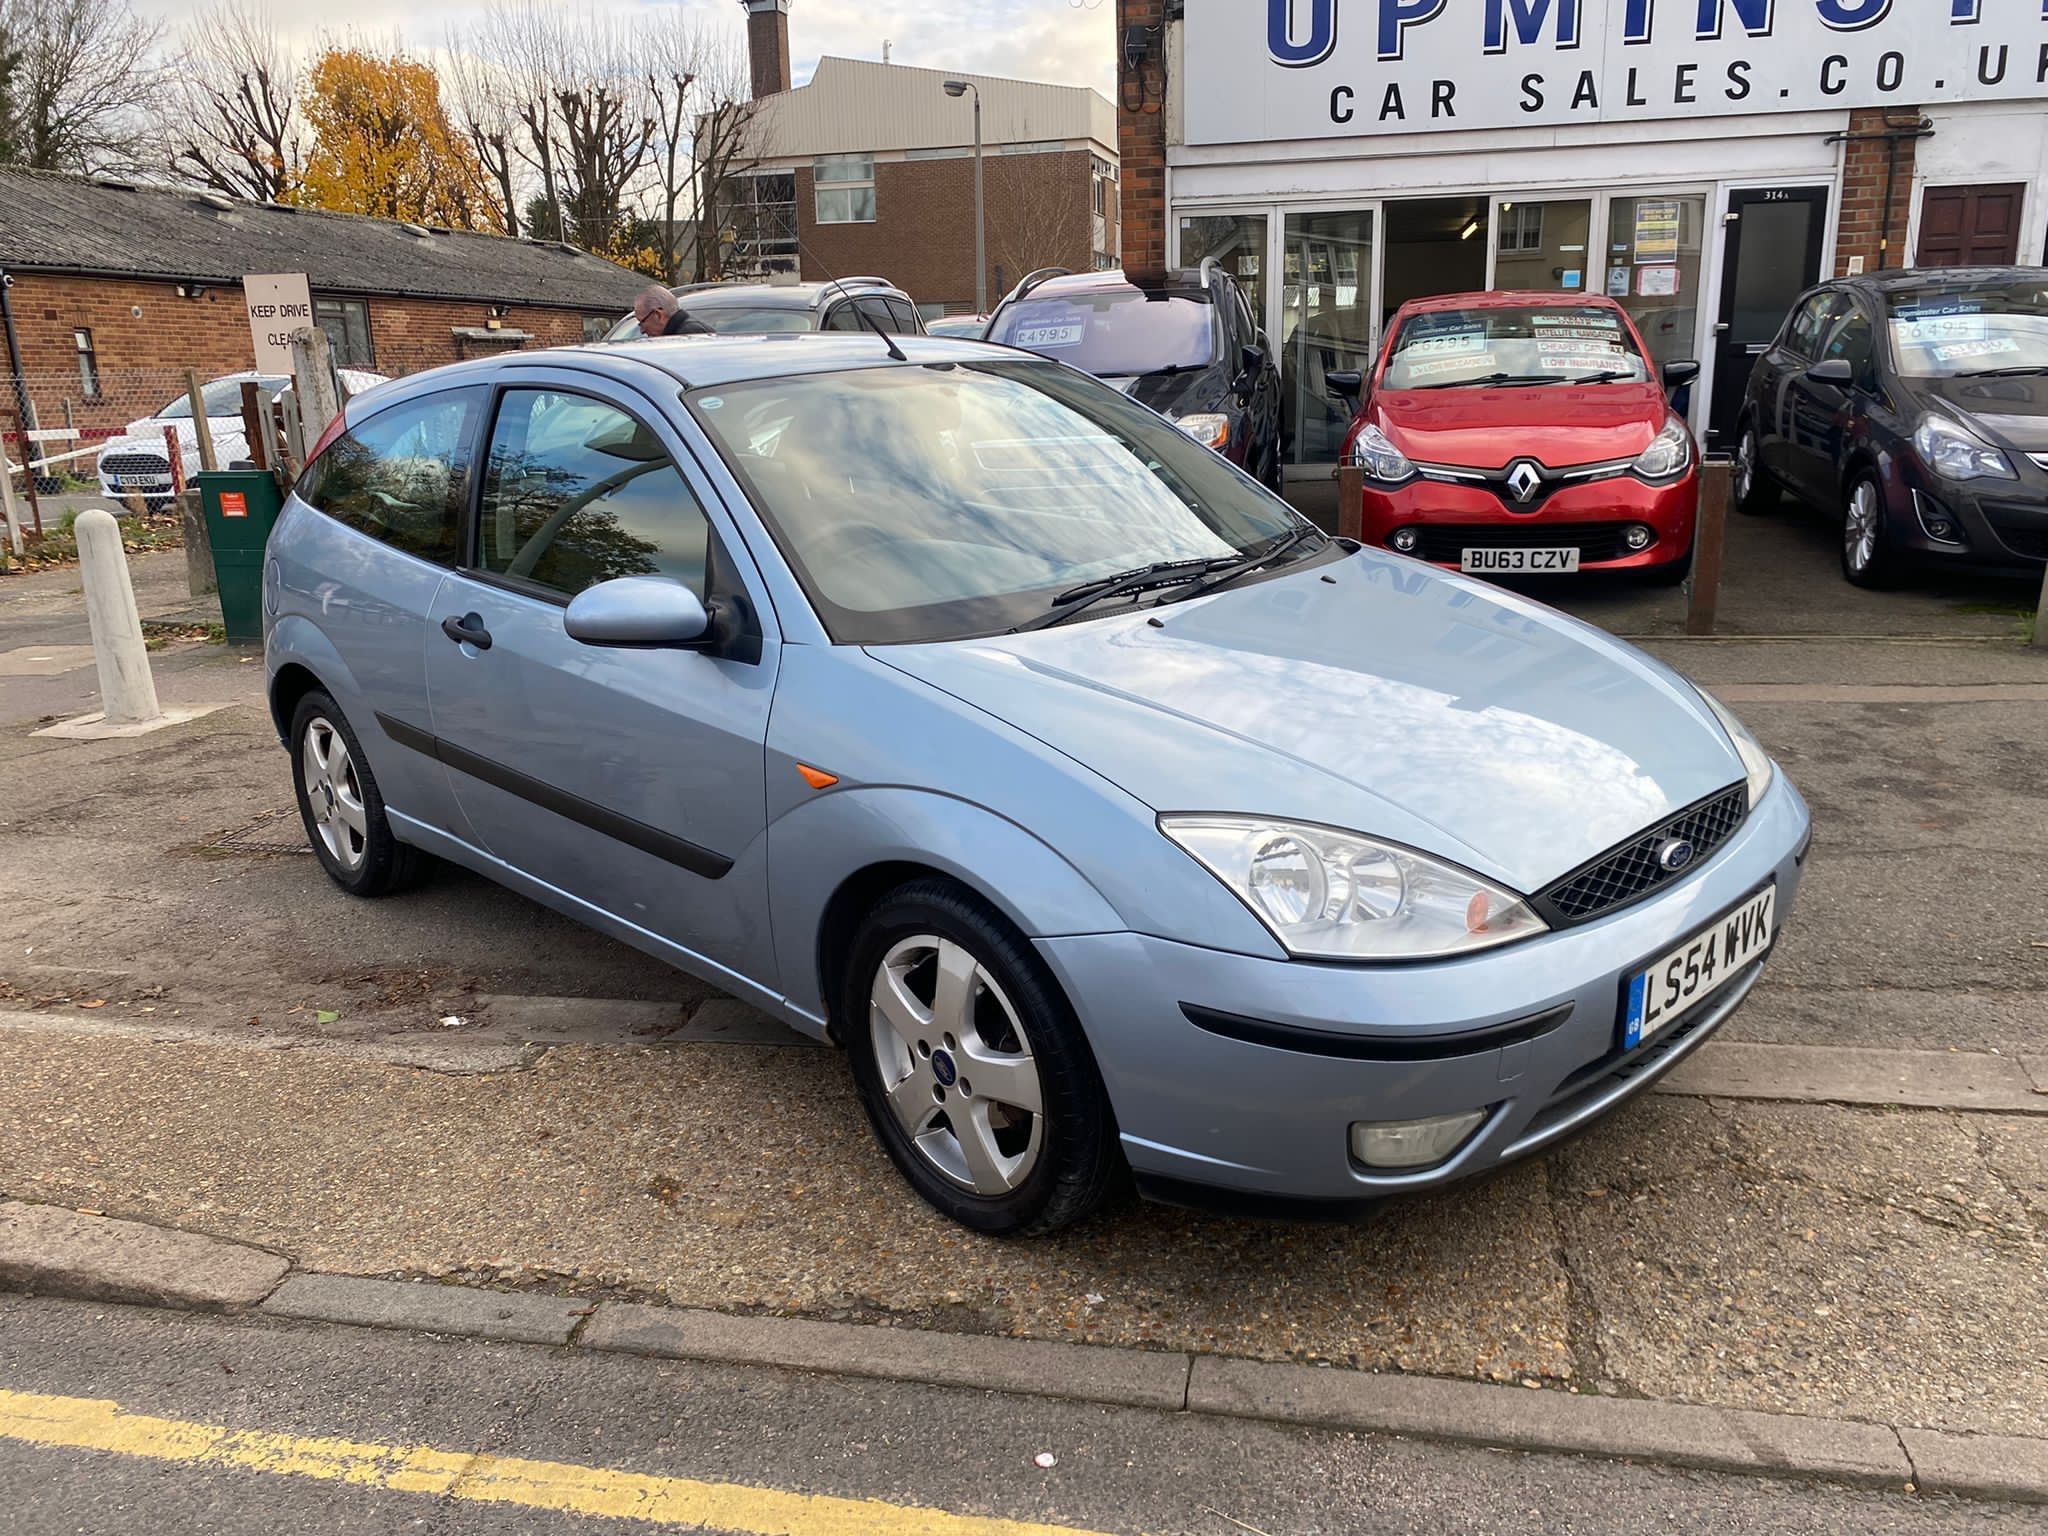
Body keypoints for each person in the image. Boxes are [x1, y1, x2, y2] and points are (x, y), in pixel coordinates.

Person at [632, 285, 713, 337]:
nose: (642, 331)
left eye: (642, 322)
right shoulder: (686, 331)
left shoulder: (687, 336)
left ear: (658, 315)